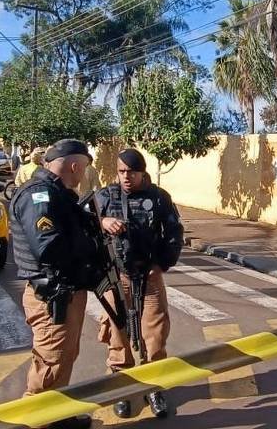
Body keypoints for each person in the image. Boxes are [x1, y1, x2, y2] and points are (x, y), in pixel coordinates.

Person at [9, 139, 95, 429]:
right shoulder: (40, 195)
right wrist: (88, 249)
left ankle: (56, 416)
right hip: (52, 296)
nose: (83, 175)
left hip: (64, 292)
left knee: (64, 358)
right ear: (74, 165)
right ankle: (34, 421)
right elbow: (48, 247)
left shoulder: (59, 194)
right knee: (50, 363)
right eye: (82, 169)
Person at [95, 148, 184, 419]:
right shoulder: (104, 196)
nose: (125, 177)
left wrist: (160, 266)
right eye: (121, 171)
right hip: (115, 276)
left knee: (155, 334)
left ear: (142, 172)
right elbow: (82, 227)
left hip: (149, 276)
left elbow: (173, 233)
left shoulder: (158, 198)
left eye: (131, 172)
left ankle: (154, 387)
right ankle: (121, 388)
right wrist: (102, 221)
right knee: (117, 333)